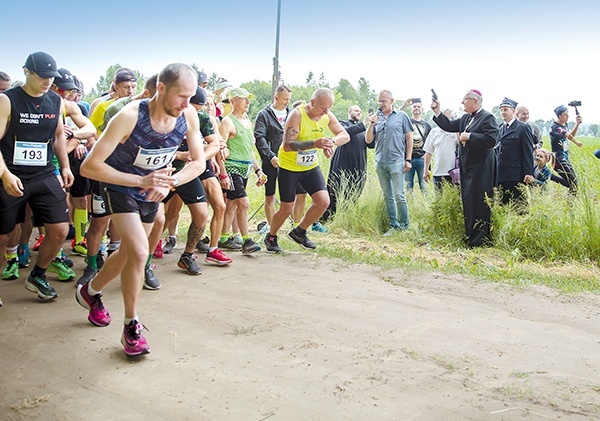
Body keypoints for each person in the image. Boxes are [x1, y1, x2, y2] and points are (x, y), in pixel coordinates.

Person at [76, 63, 205, 357]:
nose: (187, 103)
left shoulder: (188, 115)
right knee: (139, 251)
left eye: (191, 96)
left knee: (128, 254)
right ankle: (130, 326)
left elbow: (198, 163)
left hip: (152, 188)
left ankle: (90, 291)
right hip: (121, 184)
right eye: (181, 96)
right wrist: (140, 179)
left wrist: (170, 181)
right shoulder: (129, 116)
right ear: (161, 88)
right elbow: (90, 166)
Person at [0, 51, 74, 301]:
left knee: (60, 230)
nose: (48, 81)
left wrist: (65, 166)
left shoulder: (56, 101)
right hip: (10, 174)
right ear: (26, 72)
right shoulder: (7, 100)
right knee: (2, 235)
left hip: (43, 174)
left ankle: (38, 275)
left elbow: (58, 136)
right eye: (42, 76)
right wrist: (5, 174)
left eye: (51, 77)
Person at [264, 88, 349, 252]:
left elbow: (344, 135)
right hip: (289, 167)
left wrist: (330, 142)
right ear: (313, 102)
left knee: (323, 201)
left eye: (329, 108)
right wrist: (315, 144)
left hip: (310, 167)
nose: (326, 112)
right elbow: (287, 146)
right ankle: (272, 236)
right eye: (323, 108)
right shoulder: (297, 115)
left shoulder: (326, 115)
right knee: (286, 208)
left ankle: (300, 232)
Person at [432, 89, 499, 248]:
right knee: (468, 202)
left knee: (480, 203)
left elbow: (492, 139)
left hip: (482, 169)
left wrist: (470, 136)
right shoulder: (465, 118)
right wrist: (437, 110)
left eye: (465, 100)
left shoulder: (487, 117)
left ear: (475, 101)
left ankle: (481, 241)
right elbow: (448, 125)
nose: (462, 103)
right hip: (467, 168)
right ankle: (470, 237)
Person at [218, 87, 265, 253]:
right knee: (243, 203)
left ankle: (223, 238)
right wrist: (222, 173)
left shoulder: (247, 120)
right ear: (233, 101)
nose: (248, 102)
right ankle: (247, 240)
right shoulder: (227, 122)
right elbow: (219, 149)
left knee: (232, 205)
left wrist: (258, 170)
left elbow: (248, 149)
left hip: (245, 169)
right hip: (232, 168)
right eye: (244, 99)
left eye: (248, 99)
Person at [365, 90, 413, 235]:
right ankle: (394, 225)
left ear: (392, 100)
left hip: (397, 160)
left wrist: (408, 159)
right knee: (388, 195)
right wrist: (371, 124)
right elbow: (368, 140)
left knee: (399, 195)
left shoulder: (402, 116)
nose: (381, 104)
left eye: (384, 101)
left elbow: (409, 138)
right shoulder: (376, 117)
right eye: (379, 101)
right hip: (380, 161)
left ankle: (404, 226)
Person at [254, 85, 292, 231]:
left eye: (289, 99)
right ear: (276, 98)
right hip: (271, 160)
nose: (287, 102)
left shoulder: (291, 113)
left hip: (289, 159)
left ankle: (290, 226)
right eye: (284, 99)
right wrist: (270, 156)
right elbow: (259, 138)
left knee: (288, 196)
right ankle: (271, 229)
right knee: (270, 195)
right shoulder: (264, 115)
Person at [323, 105, 370, 220]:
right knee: (335, 189)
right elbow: (345, 132)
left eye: (360, 111)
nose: (359, 113)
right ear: (349, 111)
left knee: (355, 190)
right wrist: (363, 124)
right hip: (342, 162)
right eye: (356, 110)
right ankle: (328, 218)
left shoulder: (364, 129)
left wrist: (371, 126)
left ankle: (346, 217)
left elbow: (370, 144)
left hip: (359, 163)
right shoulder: (343, 124)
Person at [496, 97, 535, 206]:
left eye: (505, 110)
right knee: (502, 205)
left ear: (513, 111)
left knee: (519, 206)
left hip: (515, 174)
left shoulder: (523, 128)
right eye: (501, 110)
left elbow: (527, 151)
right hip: (501, 174)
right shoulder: (500, 128)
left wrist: (528, 172)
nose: (503, 112)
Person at [423, 109, 460, 190]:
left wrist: (457, 131)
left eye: (449, 119)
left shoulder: (455, 132)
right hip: (438, 172)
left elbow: (461, 145)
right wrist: (426, 170)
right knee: (439, 199)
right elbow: (428, 152)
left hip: (454, 172)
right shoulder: (434, 131)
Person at [550, 105, 582, 194]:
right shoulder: (555, 127)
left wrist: (577, 124)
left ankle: (549, 176)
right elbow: (568, 135)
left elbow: (570, 135)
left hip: (565, 158)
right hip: (558, 160)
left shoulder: (565, 125)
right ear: (559, 116)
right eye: (565, 115)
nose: (568, 116)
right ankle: (549, 176)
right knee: (574, 184)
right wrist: (577, 124)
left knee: (573, 183)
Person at [405, 98, 431, 194]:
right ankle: (409, 207)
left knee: (424, 186)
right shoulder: (406, 122)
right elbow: (396, 116)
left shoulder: (427, 126)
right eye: (414, 107)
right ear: (411, 110)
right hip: (408, 159)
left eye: (419, 106)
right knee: (407, 187)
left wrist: (426, 155)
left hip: (422, 158)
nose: (416, 108)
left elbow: (430, 142)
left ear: (422, 109)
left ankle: (426, 207)